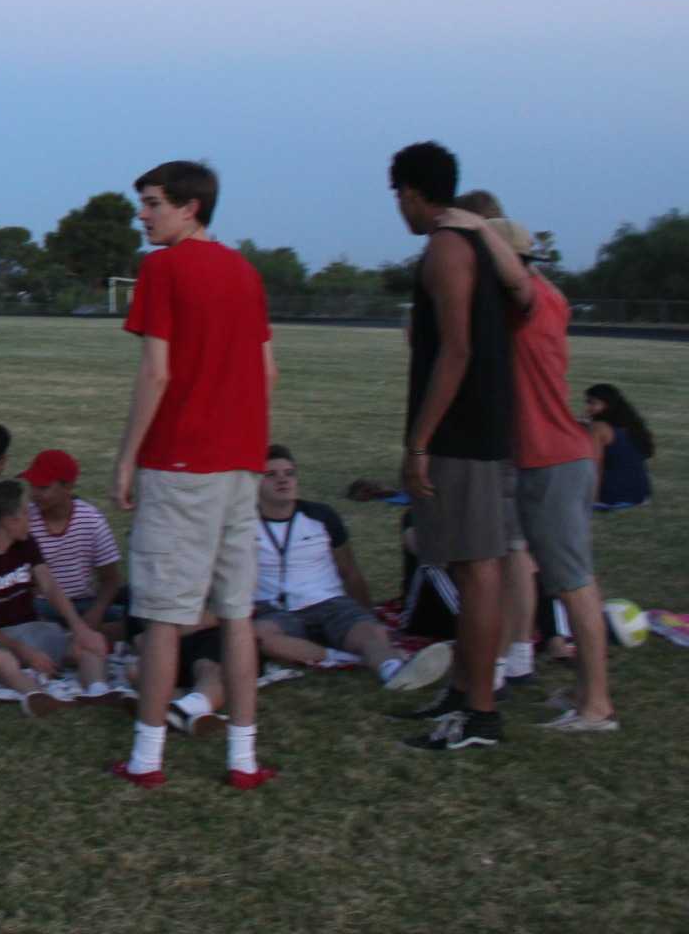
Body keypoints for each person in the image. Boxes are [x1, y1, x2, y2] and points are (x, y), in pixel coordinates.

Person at [111, 158, 275, 788]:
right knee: (236, 612)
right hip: (243, 465)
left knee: (162, 613)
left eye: (152, 203)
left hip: (181, 464)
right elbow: (268, 374)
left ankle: (147, 758)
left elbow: (156, 371)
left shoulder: (163, 268)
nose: (143, 215)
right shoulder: (246, 273)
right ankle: (243, 758)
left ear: (189, 208)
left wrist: (128, 455)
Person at [450, 211, 616, 733]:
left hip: (553, 460)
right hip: (550, 460)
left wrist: (475, 228)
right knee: (568, 579)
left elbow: (517, 280)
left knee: (574, 584)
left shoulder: (531, 299)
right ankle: (587, 692)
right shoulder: (549, 297)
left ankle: (597, 708)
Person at [387, 142, 517, 754]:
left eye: (397, 195)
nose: (398, 207)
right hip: (480, 429)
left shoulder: (444, 246)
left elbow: (456, 350)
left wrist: (419, 443)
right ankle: (463, 695)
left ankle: (480, 713)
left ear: (412, 191)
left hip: (462, 434)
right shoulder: (475, 244)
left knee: (477, 569)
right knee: (472, 569)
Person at [251, 445, 444, 691]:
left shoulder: (321, 516)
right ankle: (345, 658)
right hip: (276, 610)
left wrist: (368, 615)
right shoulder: (245, 524)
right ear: (256, 482)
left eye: (289, 473)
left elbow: (349, 571)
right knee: (256, 637)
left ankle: (392, 671)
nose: (283, 480)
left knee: (371, 633)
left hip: (330, 603)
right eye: (272, 474)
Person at [0, 481, 113, 711]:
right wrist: (24, 652)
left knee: (85, 645)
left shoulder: (26, 543)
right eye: (26, 513)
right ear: (9, 521)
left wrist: (79, 628)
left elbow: (49, 587)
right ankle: (34, 695)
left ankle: (98, 691)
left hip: (30, 627)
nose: (32, 518)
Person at [21, 450, 126, 638]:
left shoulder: (92, 520)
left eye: (42, 487)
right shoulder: (24, 520)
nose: (34, 494)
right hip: (42, 604)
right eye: (32, 486)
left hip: (83, 602)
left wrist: (96, 613)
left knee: (132, 611)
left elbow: (111, 579)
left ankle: (72, 634)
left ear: (67, 487)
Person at [587, 383, 654, 511]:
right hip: (641, 494)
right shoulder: (631, 425)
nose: (588, 408)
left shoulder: (598, 428)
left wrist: (592, 500)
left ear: (607, 404)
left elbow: (595, 467)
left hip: (614, 497)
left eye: (592, 403)